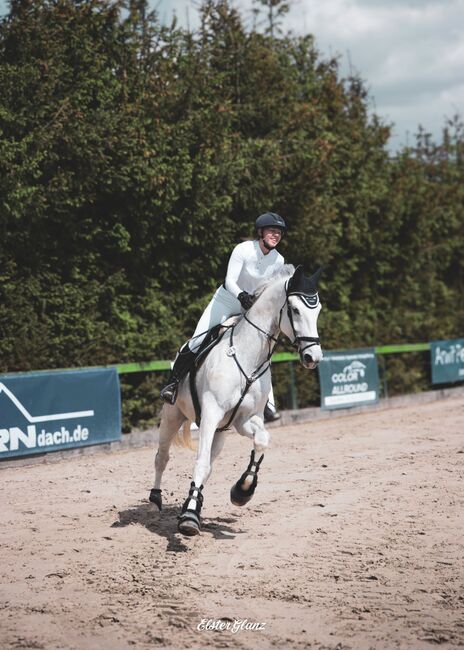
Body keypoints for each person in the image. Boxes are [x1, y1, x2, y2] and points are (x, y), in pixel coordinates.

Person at [160, 212, 287, 422]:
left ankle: (267, 405)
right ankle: (172, 385)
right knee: (197, 340)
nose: (276, 235)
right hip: (226, 301)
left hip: (249, 309)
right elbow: (230, 280)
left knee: (262, 351)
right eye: (272, 231)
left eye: (279, 232)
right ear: (260, 232)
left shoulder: (278, 259)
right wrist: (242, 296)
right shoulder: (243, 249)